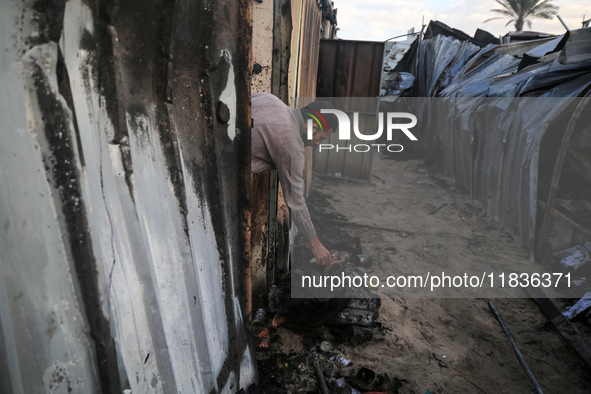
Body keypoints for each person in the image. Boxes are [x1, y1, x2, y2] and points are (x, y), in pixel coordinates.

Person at [251, 92, 337, 267]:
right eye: (321, 138)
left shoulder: (272, 100)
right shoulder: (293, 146)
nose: (318, 144)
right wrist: (316, 245)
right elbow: (296, 201)